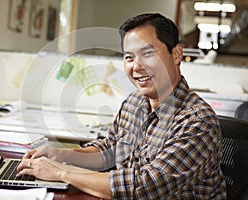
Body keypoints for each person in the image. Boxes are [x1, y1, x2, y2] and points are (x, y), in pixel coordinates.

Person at [17, 13, 227, 199]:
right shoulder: (134, 103)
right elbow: (109, 151)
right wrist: (63, 155)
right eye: (129, 57)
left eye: (148, 54)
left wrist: (60, 172)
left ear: (176, 54)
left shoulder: (197, 121)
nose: (137, 66)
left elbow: (144, 188)